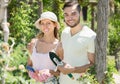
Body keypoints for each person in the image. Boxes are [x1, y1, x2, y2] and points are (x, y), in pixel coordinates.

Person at [56, 1, 96, 84]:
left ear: (80, 14)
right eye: (66, 14)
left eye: (73, 14)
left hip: (80, 82)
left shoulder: (90, 36)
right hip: (63, 81)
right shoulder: (64, 32)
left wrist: (74, 69)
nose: (69, 18)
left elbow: (93, 65)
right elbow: (64, 57)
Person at [27, 11, 63, 84]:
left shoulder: (59, 46)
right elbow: (29, 65)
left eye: (48, 23)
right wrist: (31, 72)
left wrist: (49, 72)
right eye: (42, 23)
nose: (45, 26)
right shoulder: (34, 43)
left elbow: (62, 71)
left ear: (55, 24)